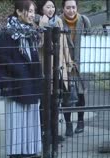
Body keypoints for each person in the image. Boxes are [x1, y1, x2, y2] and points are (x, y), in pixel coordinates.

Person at [0, 0, 43, 158]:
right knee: (17, 116)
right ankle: (16, 153)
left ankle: (30, 149)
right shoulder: (8, 32)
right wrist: (19, 70)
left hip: (30, 79)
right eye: (28, 11)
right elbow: (2, 57)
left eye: (33, 11)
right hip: (15, 82)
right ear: (18, 12)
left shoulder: (31, 31)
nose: (31, 15)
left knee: (31, 115)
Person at [36, 0, 75, 142]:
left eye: (52, 6)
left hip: (59, 68)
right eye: (48, 7)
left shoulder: (58, 21)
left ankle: (54, 132)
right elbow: (39, 44)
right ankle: (45, 133)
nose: (51, 9)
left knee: (55, 102)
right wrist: (43, 25)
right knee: (45, 103)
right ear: (42, 9)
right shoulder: (37, 22)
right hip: (45, 70)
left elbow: (64, 44)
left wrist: (69, 62)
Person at [60, 0, 91, 136]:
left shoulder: (84, 21)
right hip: (65, 64)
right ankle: (68, 124)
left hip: (81, 64)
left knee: (80, 94)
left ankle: (80, 121)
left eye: (73, 7)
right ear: (63, 8)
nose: (71, 10)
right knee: (66, 95)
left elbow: (90, 41)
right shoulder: (58, 21)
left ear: (77, 8)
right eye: (68, 7)